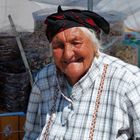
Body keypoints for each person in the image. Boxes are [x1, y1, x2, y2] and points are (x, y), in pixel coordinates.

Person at [23, 5, 140, 140]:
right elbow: (31, 134)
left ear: (94, 45)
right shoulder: (44, 79)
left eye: (76, 43)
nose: (67, 55)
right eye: (59, 46)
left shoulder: (128, 81)